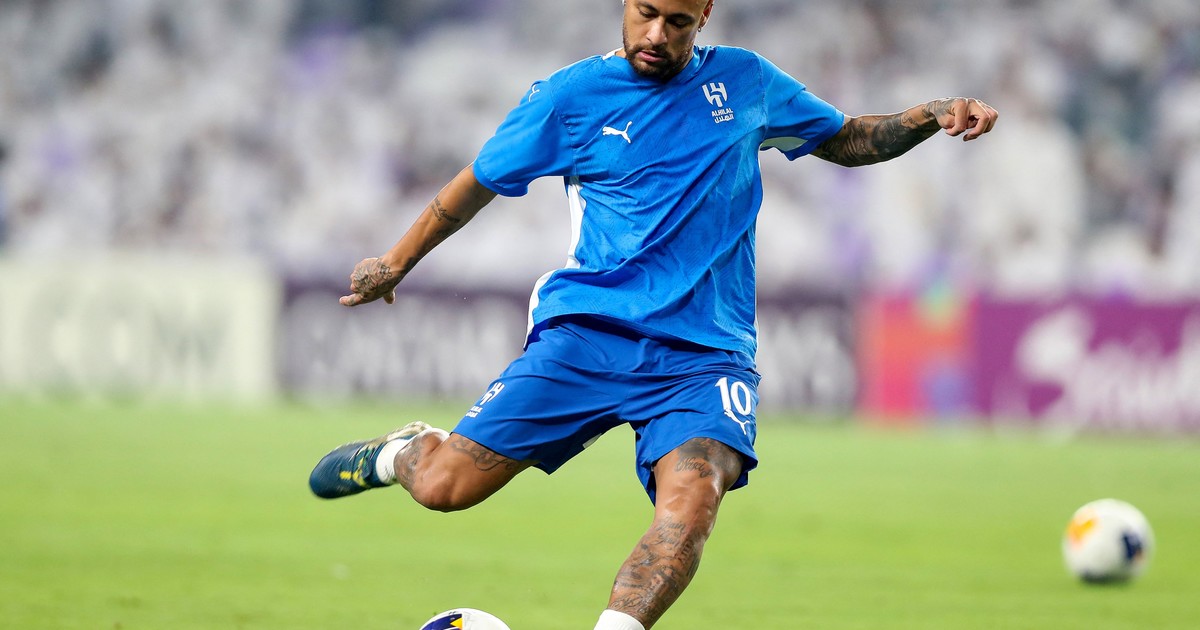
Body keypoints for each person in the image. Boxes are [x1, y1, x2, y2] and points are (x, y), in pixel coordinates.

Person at [308, 1, 998, 628]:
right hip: (591, 334)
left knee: (692, 504)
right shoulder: (569, 97)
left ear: (705, 14)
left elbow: (845, 138)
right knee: (444, 488)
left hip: (705, 356)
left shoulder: (746, 81)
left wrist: (928, 114)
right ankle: (402, 452)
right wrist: (395, 262)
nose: (657, 35)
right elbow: (474, 185)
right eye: (645, 14)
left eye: (677, 21)